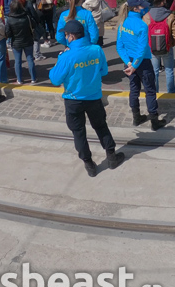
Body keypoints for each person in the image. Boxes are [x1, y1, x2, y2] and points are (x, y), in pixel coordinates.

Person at [49, 21, 123, 177]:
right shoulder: (96, 50)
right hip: (94, 97)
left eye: (66, 35)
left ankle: (89, 164)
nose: (65, 37)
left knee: (78, 132)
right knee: (101, 126)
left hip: (73, 99)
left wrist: (60, 59)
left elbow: (55, 79)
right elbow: (103, 71)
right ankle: (111, 156)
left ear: (72, 36)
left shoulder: (67, 56)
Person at [117, 0, 167, 129]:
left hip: (129, 63)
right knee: (150, 91)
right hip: (142, 63)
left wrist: (128, 63)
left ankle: (136, 117)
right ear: (135, 8)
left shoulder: (122, 24)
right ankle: (154, 121)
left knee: (134, 90)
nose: (145, 7)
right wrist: (134, 66)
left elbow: (120, 46)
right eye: (142, 6)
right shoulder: (142, 26)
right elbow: (142, 48)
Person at [144, 0, 175, 94]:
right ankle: (171, 93)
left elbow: (143, 33)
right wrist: (171, 43)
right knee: (169, 71)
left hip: (152, 48)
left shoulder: (147, 16)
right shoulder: (170, 16)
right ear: (162, 2)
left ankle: (155, 92)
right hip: (167, 47)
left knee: (155, 72)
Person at [5, 0, 37, 84]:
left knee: (17, 61)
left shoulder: (10, 19)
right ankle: (33, 78)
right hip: (28, 40)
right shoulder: (26, 16)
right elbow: (34, 25)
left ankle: (19, 79)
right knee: (30, 59)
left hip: (16, 42)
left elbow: (8, 33)